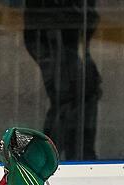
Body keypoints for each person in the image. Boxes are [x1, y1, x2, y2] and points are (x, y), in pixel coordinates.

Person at [23, 0, 100, 161]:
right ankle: (50, 157)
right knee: (68, 95)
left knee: (84, 92)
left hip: (59, 35)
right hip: (51, 35)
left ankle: (74, 154)